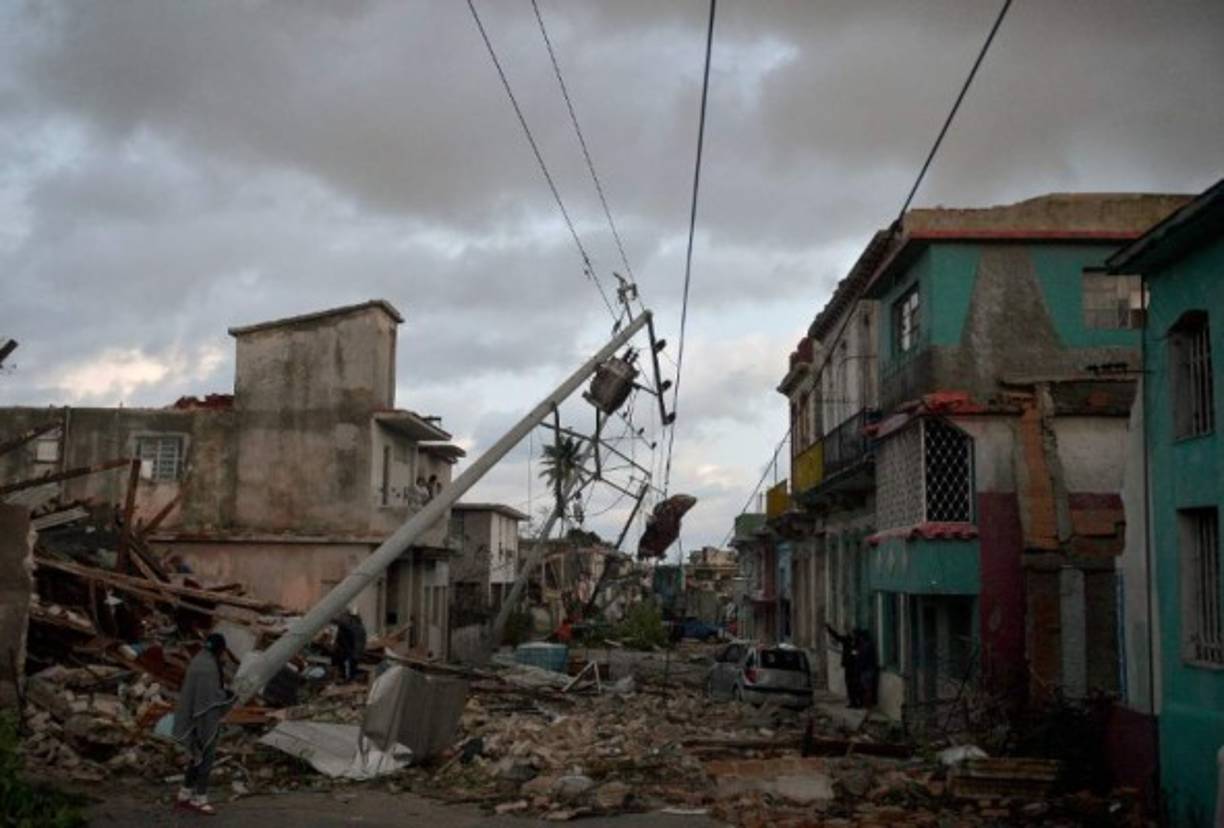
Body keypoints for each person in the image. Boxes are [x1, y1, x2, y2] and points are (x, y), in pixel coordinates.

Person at [173, 633, 233, 815]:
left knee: (195, 757)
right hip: (202, 720)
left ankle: (184, 795)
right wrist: (228, 696)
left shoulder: (199, 660)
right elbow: (209, 699)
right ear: (219, 648)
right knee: (206, 758)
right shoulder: (207, 667)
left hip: (191, 717)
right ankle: (201, 799)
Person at [825, 623, 863, 708]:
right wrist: (830, 629)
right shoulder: (847, 640)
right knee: (849, 684)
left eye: (855, 633)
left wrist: (854, 654)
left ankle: (856, 702)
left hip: (855, 666)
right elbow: (837, 637)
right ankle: (852, 702)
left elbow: (859, 653)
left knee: (855, 685)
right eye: (853, 633)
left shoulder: (858, 642)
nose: (853, 635)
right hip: (849, 665)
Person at [333, 607, 367, 682]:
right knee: (349, 664)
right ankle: (347, 678)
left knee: (348, 663)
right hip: (353, 650)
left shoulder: (353, 626)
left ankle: (347, 678)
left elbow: (343, 625)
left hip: (353, 650)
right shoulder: (358, 626)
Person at [854, 628, 879, 709]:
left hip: (866, 670)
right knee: (867, 688)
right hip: (868, 669)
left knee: (866, 688)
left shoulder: (865, 646)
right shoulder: (868, 645)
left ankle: (868, 704)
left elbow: (862, 658)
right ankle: (867, 703)